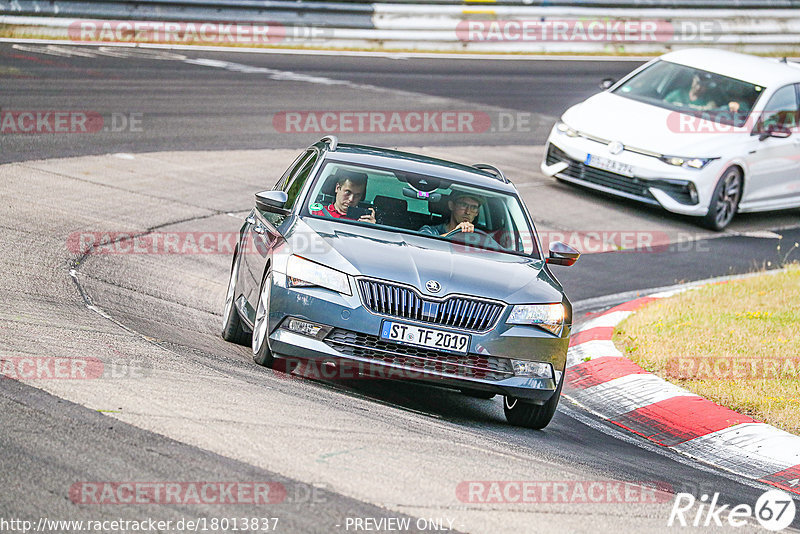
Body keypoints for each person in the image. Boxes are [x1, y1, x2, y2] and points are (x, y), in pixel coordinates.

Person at [311, 170, 376, 223]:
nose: (351, 199)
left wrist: (371, 228)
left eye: (357, 195)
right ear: (337, 188)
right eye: (348, 192)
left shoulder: (363, 219)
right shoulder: (317, 212)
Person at [419, 190, 483, 236]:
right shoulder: (430, 230)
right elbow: (422, 244)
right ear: (451, 205)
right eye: (463, 205)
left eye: (473, 208)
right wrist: (455, 233)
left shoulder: (481, 239)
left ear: (477, 212)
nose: (468, 212)